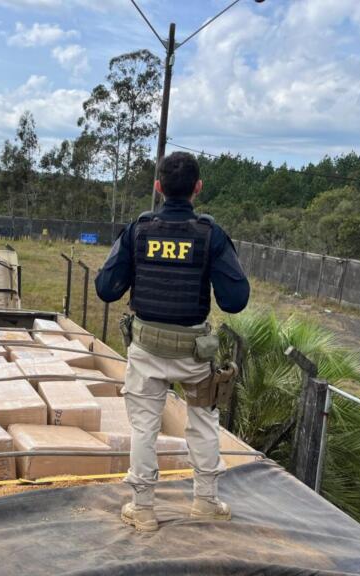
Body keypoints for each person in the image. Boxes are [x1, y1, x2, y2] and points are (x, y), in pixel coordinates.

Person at [95, 151, 250, 532]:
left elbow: (106, 288)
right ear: (198, 188)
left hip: (146, 351)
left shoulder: (138, 230)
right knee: (202, 423)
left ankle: (143, 509)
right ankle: (206, 503)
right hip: (194, 356)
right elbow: (235, 300)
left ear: (158, 187)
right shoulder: (210, 234)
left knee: (144, 428)